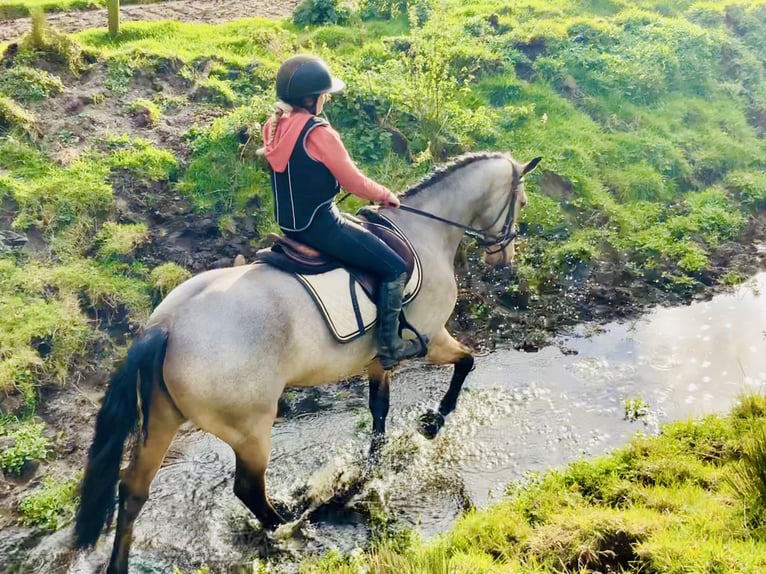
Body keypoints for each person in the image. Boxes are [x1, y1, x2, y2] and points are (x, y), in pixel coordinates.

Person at [260, 54, 428, 369]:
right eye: (323, 94)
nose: (326, 99)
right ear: (310, 99)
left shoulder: (273, 126)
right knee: (393, 267)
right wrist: (385, 194)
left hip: (290, 226)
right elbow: (353, 180)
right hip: (322, 225)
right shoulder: (318, 133)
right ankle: (390, 345)